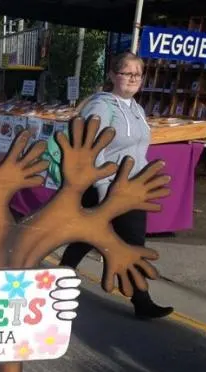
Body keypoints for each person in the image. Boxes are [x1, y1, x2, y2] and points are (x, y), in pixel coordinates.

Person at [59, 51, 173, 320]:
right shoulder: (101, 106)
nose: (133, 79)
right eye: (127, 73)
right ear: (112, 75)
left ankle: (58, 278)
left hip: (131, 186)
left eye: (138, 74)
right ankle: (141, 300)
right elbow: (92, 150)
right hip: (106, 186)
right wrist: (100, 189)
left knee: (93, 239)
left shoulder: (137, 108)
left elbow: (138, 149)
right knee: (119, 242)